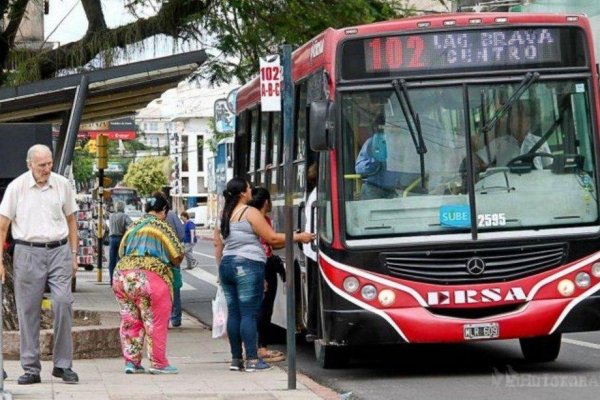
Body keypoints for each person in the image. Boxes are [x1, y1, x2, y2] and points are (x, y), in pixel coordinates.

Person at [214, 177, 314, 372]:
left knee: (234, 314)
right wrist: (299, 236)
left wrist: (220, 269)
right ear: (243, 192)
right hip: (247, 265)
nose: (251, 191)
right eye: (249, 188)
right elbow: (271, 238)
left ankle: (236, 359)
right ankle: (252, 359)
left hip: (227, 265)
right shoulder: (249, 212)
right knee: (249, 315)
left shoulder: (223, 214)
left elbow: (218, 243)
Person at [0, 144, 80, 385]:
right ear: (30, 165)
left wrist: (74, 253)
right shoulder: (17, 188)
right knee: (28, 310)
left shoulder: (62, 185)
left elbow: (71, 220)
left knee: (63, 302)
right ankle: (31, 368)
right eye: (42, 165)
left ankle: (63, 365)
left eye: (49, 164)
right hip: (27, 251)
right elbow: (3, 226)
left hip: (59, 250)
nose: (47, 168)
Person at [113, 192, 184, 374]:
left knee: (130, 320)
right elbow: (177, 254)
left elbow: (121, 251)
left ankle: (132, 362)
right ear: (164, 210)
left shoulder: (134, 226)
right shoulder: (162, 226)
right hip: (150, 278)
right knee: (155, 321)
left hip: (122, 277)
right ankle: (159, 363)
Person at [247, 187, 286, 363]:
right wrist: (296, 237)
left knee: (261, 307)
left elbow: (272, 244)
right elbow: (270, 241)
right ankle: (260, 348)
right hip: (262, 265)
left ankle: (257, 346)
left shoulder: (252, 219)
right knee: (264, 307)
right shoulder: (260, 220)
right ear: (265, 202)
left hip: (260, 264)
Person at [476, 102, 552, 171]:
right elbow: (478, 162)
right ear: (510, 123)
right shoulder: (499, 143)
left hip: (535, 184)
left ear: (528, 122)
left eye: (522, 117)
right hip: (507, 185)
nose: (519, 121)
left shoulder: (539, 142)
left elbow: (549, 167)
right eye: (515, 117)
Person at [302, 163, 319, 341]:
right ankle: (314, 328)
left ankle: (314, 328)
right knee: (316, 290)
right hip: (316, 249)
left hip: (314, 248)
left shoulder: (316, 194)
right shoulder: (318, 196)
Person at [164, 205, 185, 328]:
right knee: (175, 286)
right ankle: (176, 318)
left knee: (160, 288)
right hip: (173, 255)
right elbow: (181, 234)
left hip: (157, 257)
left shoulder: (149, 218)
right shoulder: (172, 215)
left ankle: (164, 319)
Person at [108, 201, 132, 285]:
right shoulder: (124, 216)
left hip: (112, 239)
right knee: (120, 260)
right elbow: (131, 224)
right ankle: (119, 281)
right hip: (120, 239)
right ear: (123, 208)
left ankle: (111, 280)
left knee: (112, 261)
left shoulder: (111, 216)